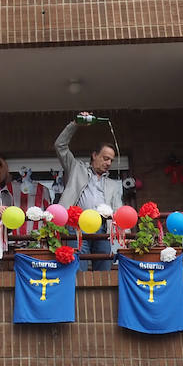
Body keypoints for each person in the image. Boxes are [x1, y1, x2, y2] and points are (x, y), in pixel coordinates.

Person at [56, 113, 122, 271]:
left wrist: (123, 233)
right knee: (79, 269)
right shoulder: (76, 168)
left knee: (105, 268)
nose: (108, 163)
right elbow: (60, 146)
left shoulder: (114, 185)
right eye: (106, 158)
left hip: (102, 229)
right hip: (78, 226)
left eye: (111, 160)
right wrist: (75, 124)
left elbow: (119, 211)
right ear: (94, 155)